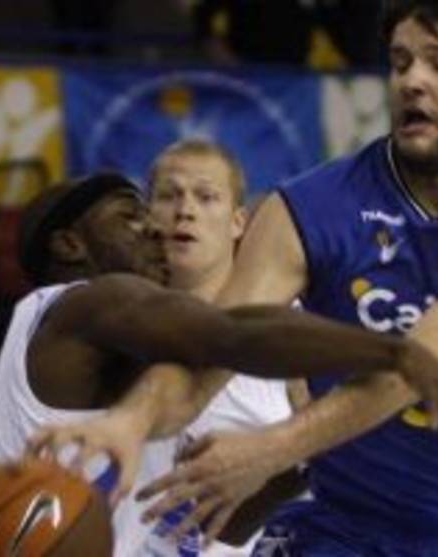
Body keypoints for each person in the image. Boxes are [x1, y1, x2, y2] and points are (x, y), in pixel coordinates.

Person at [51, 1, 438, 555]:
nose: (412, 81)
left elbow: (420, 361)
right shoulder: (309, 208)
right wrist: (131, 420)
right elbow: (214, 342)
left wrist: (271, 450)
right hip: (347, 533)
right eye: (400, 62)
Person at [0, 172, 438, 555]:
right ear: (69, 243)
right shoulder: (86, 302)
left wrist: (304, 453)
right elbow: (232, 335)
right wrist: (395, 352)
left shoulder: (126, 381)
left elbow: (210, 529)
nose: (155, 229)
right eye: (129, 216)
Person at [111, 140, 310, 556]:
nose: (185, 210)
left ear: (238, 222)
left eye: (206, 197)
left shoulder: (283, 322)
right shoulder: (114, 317)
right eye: (169, 196)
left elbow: (322, 452)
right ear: (147, 218)